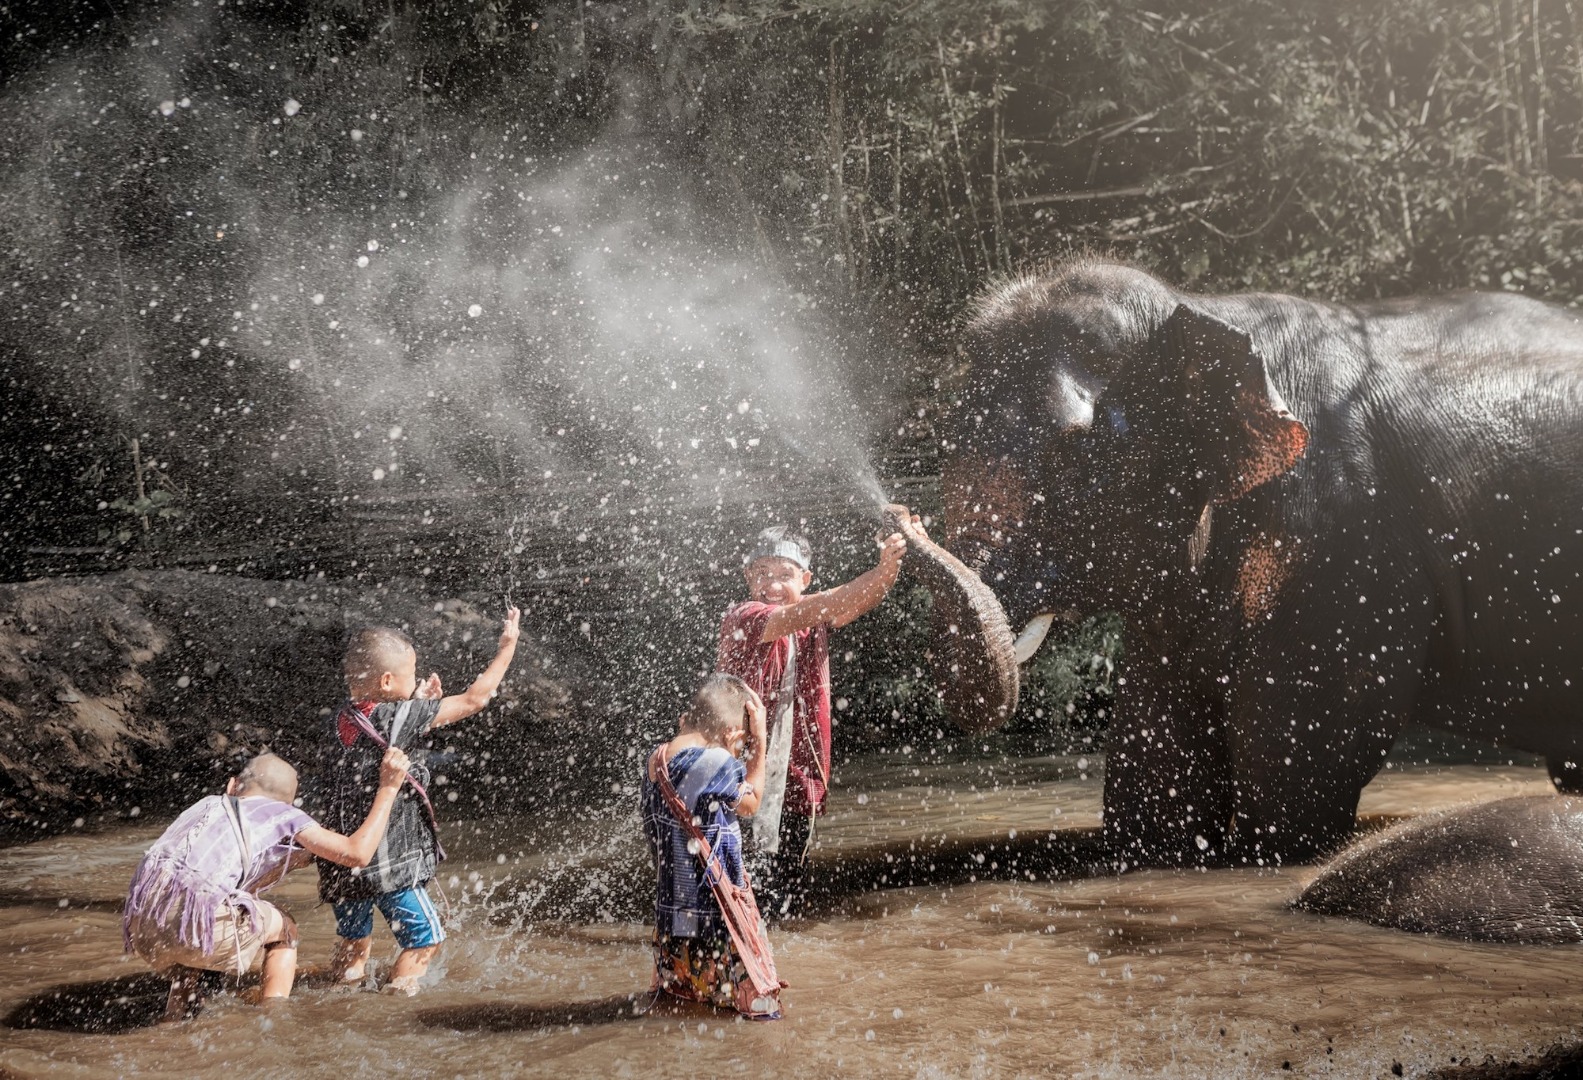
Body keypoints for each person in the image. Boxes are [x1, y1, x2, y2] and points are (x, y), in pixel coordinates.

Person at [716, 515, 921, 917]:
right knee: (741, 891)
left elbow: (859, 599)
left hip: (801, 777)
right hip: (743, 779)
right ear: (747, 578)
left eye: (785, 575)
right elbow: (833, 602)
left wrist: (891, 564)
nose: (773, 585)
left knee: (787, 892)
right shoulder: (745, 616)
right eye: (762, 574)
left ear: (805, 579)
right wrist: (880, 568)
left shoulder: (812, 617)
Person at [314, 608, 520, 995]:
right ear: (387, 680)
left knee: (354, 944)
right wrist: (508, 647)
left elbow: (374, 744)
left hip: (341, 864)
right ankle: (395, 1007)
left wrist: (416, 704)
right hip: (388, 867)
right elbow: (475, 700)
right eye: (412, 673)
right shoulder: (399, 714)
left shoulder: (339, 719)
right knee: (425, 941)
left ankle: (341, 1001)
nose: (417, 679)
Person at [123, 748, 411, 1021]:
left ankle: (174, 1019)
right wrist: (388, 787)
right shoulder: (282, 814)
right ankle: (272, 1017)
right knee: (285, 928)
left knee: (197, 921)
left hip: (142, 929)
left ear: (232, 785)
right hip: (191, 925)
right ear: (287, 802)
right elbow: (356, 853)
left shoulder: (206, 805)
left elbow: (203, 877)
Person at [640, 672, 770, 1013]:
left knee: (680, 1011)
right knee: (757, 1012)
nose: (738, 752)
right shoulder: (715, 762)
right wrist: (761, 741)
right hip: (715, 924)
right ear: (732, 733)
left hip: (672, 926)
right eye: (741, 743)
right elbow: (752, 801)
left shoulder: (657, 760)